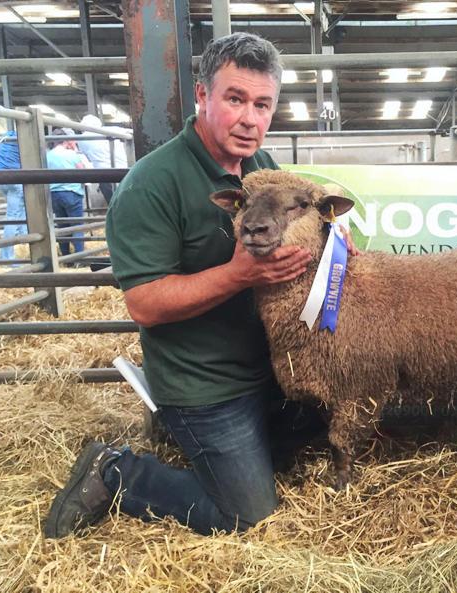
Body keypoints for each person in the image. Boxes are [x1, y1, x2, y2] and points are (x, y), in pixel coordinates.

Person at [44, 32, 345, 539]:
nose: (250, 119)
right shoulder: (152, 184)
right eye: (235, 99)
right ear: (203, 95)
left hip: (265, 368)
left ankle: (244, 454)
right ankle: (116, 471)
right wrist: (238, 274)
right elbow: (145, 304)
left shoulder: (261, 170)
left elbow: (309, 218)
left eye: (262, 105)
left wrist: (332, 236)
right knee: (245, 515)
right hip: (205, 385)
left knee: (331, 408)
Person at [46, 128, 91, 255]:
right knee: (77, 226)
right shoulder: (71, 154)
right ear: (65, 141)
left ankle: (66, 256)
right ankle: (79, 256)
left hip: (54, 193)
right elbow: (82, 172)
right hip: (72, 192)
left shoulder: (47, 156)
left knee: (62, 226)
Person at [78, 114, 128, 205]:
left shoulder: (82, 139)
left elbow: (86, 158)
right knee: (124, 200)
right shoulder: (112, 130)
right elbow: (130, 132)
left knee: (113, 203)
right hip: (123, 170)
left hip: (103, 173)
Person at [0, 130, 26, 262]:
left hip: (0, 179)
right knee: (13, 217)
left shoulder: (5, 137)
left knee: (21, 212)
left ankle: (24, 247)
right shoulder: (23, 140)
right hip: (15, 178)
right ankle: (7, 257)